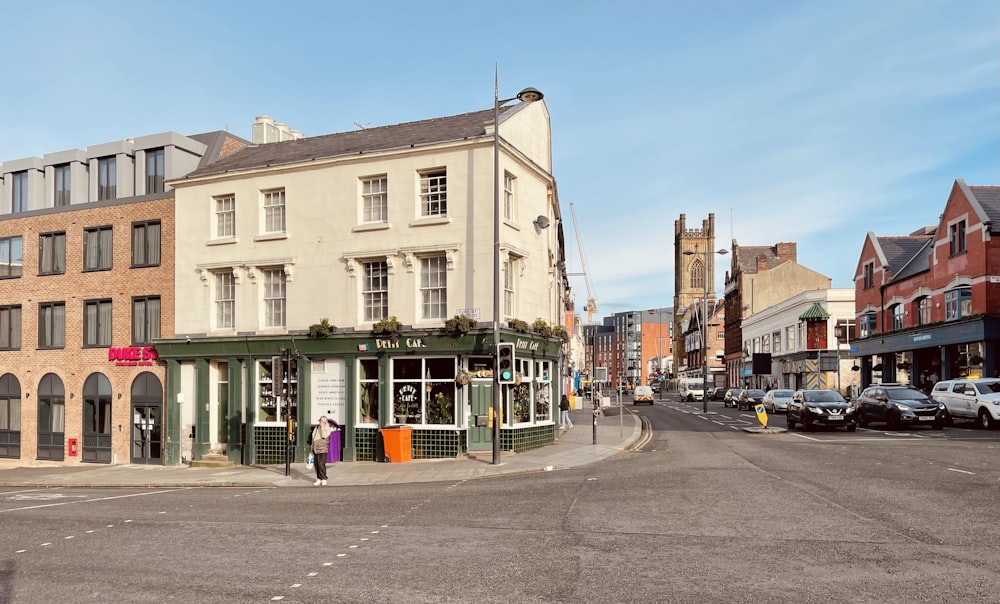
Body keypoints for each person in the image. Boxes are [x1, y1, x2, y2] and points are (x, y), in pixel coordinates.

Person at [309, 416, 335, 486]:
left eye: (324, 421)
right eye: (321, 421)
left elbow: (324, 436)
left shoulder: (327, 428)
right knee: (316, 464)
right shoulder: (316, 427)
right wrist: (312, 447)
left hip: (323, 448)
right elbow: (313, 437)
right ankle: (319, 478)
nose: (322, 422)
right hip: (315, 447)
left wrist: (323, 427)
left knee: (321, 464)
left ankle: (324, 478)